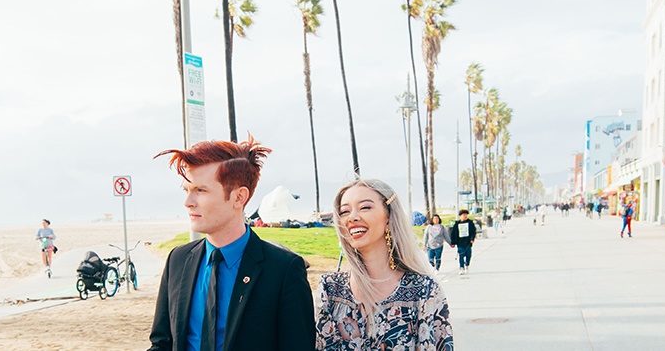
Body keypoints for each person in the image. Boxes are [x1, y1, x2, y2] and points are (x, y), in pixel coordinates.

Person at [148, 135, 315, 351]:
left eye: (201, 190)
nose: (188, 202)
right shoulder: (178, 260)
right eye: (187, 191)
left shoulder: (284, 270)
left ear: (239, 197)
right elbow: (161, 343)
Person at [315, 179, 453, 350]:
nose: (352, 217)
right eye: (344, 211)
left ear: (388, 216)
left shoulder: (424, 291)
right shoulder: (329, 289)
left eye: (365, 207)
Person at [450, 209, 477, 275]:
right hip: (460, 242)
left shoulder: (470, 223)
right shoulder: (457, 224)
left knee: (468, 255)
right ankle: (461, 267)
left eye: (466, 215)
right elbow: (453, 233)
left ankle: (467, 265)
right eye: (463, 215)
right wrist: (452, 242)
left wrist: (472, 239)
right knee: (461, 255)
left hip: (468, 242)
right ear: (460, 216)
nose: (465, 216)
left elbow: (473, 231)